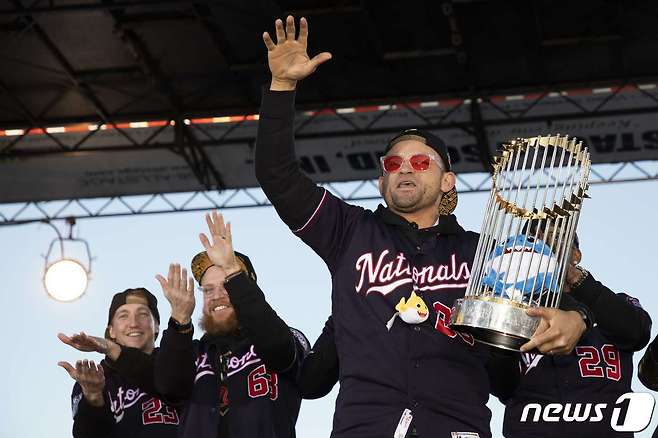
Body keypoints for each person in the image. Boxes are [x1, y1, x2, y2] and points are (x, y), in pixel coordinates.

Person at [255, 15, 593, 437]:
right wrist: (281, 89)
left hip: (457, 425)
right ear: (381, 181)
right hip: (366, 427)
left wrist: (576, 318)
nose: (405, 169)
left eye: (420, 162)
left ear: (446, 180)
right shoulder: (348, 231)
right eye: (393, 164)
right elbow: (277, 176)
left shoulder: (482, 252)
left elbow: (540, 304)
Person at [152, 211, 311, 438]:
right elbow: (170, 387)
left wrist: (233, 272)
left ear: (246, 288)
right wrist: (179, 320)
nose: (217, 296)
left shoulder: (286, 335)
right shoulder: (191, 352)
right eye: (208, 289)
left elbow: (280, 349)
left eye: (227, 285)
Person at [502, 233, 651, 437]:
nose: (545, 246)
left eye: (556, 238)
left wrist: (573, 276)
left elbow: (637, 333)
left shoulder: (616, 302)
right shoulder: (512, 311)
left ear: (576, 254)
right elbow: (498, 383)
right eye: (534, 242)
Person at [58, 288, 179, 438]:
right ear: (112, 331)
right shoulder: (95, 376)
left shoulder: (178, 359)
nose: (133, 323)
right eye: (123, 316)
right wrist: (93, 396)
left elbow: (173, 382)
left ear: (157, 326)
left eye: (143, 314)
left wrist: (111, 348)